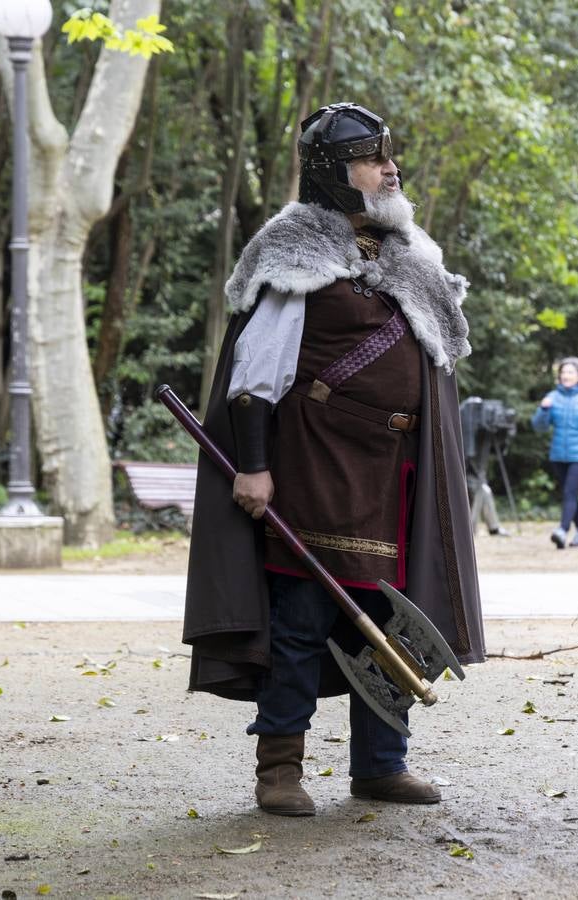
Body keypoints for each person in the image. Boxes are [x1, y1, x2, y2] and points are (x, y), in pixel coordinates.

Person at [182, 102, 486, 816]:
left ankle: (381, 764)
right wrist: (252, 467)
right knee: (302, 620)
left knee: (389, 621)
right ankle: (280, 769)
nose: (391, 169)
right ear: (333, 174)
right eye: (373, 159)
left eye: (389, 157)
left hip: (396, 472)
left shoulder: (409, 255)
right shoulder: (292, 255)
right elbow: (255, 375)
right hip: (315, 470)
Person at [531, 357, 578, 549]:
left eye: (570, 372)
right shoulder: (553, 397)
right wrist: (543, 409)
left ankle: (562, 530)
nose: (566, 375)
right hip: (558, 456)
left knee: (569, 492)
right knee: (570, 493)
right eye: (563, 372)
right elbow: (539, 427)